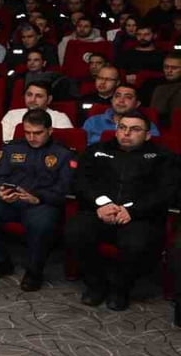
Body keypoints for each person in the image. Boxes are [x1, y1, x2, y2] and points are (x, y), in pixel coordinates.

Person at [68, 109, 177, 311]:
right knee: (75, 230)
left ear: (147, 134)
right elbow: (81, 181)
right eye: (123, 128)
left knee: (136, 243)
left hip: (140, 217)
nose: (127, 133)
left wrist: (133, 211)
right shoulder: (96, 150)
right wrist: (101, 204)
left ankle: (120, 288)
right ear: (116, 130)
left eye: (135, 129)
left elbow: (166, 192)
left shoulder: (163, 156)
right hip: (99, 211)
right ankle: (96, 284)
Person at [0, 109, 75, 291]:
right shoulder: (11, 148)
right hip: (10, 200)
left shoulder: (63, 154)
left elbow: (66, 189)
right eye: (27, 132)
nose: (32, 137)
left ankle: (34, 272)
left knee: (41, 225)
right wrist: (0, 191)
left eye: (38, 133)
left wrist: (38, 197)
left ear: (50, 131)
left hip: (41, 204)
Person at [81, 84, 158, 145]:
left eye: (128, 97)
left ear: (137, 104)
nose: (121, 100)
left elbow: (152, 151)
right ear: (112, 100)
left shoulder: (147, 125)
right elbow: (83, 149)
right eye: (117, 96)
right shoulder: (93, 121)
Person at [0, 82, 74, 141]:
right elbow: (4, 141)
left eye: (39, 96)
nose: (32, 100)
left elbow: (66, 145)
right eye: (29, 95)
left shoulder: (60, 118)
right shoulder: (12, 115)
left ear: (49, 99)